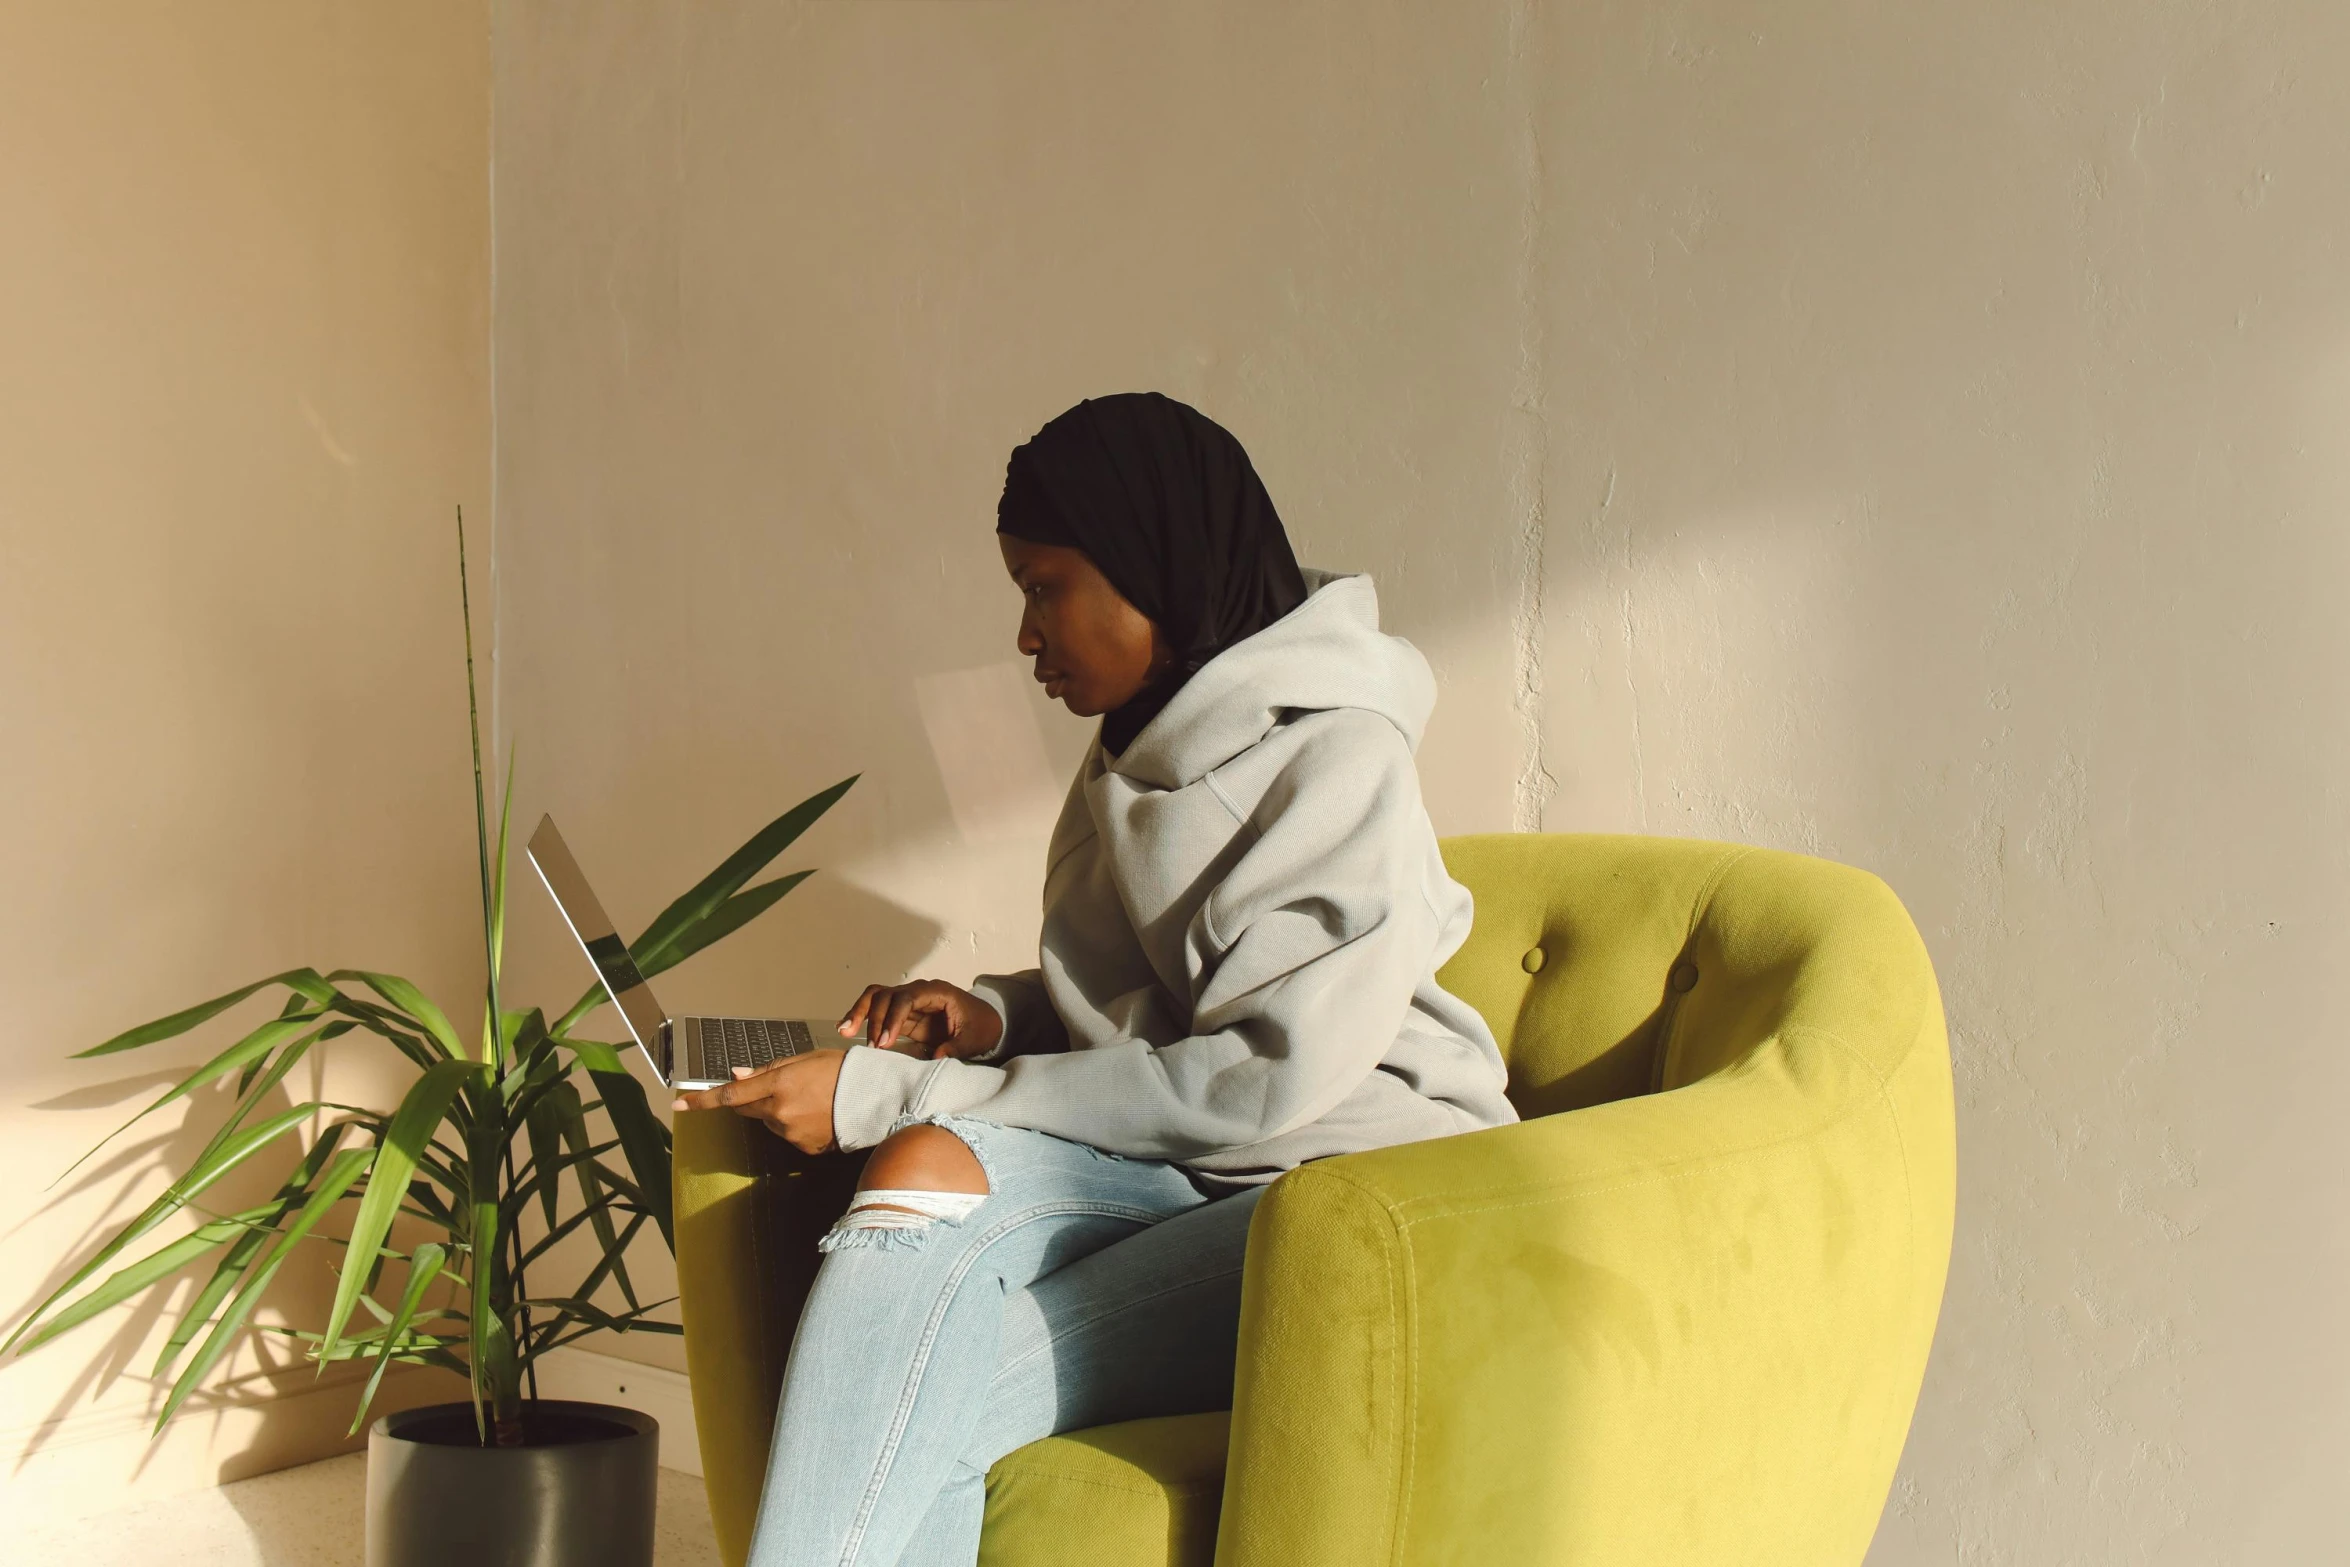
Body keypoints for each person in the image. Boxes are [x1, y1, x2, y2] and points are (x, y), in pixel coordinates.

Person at [676, 392, 1518, 1567]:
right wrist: (992, 1015)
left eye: (1043, 587)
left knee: (921, 1311)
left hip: (1349, 1198)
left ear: (1149, 567)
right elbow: (1166, 993)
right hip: (1192, 1171)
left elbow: (1249, 1082)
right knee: (924, 1281)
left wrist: (885, 1093)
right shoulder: (1143, 735)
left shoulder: (1340, 756)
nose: (1026, 634)